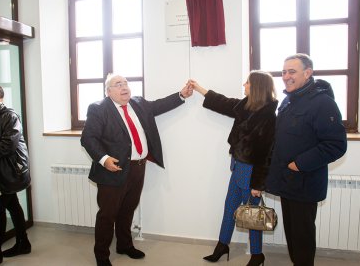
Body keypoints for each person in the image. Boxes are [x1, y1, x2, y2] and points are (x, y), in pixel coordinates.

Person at [80, 74, 193, 266]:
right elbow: (88, 138)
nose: (124, 87)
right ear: (108, 91)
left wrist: (181, 95)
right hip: (112, 170)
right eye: (118, 84)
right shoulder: (99, 109)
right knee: (108, 214)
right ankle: (102, 256)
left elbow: (159, 106)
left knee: (128, 209)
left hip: (138, 168)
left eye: (125, 83)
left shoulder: (138, 103)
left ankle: (124, 245)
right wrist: (104, 159)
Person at [265, 53, 347, 266]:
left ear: (307, 73)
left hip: (305, 183)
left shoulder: (322, 103)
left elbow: (335, 145)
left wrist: (299, 164)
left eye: (292, 71)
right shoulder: (288, 101)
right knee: (292, 236)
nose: (286, 76)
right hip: (287, 182)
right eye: (283, 72)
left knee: (302, 239)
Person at [189, 70, 278, 266]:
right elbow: (222, 102)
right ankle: (222, 245)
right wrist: (198, 88)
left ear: (257, 87)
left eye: (247, 82)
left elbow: (266, 154)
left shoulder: (268, 116)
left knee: (253, 214)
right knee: (230, 208)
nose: (244, 85)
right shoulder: (247, 106)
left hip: (251, 172)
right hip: (238, 167)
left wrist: (257, 185)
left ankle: (257, 255)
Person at [0, 86, 31, 265]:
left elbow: (7, 146)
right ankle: (23, 242)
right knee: (12, 204)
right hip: (3, 171)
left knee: (2, 208)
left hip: (10, 171)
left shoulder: (10, 116)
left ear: (0, 98)